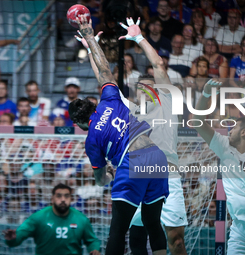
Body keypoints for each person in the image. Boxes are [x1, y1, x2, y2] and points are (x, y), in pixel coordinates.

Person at [71, 15, 168, 255]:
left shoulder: (91, 139)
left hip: (131, 163)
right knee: (152, 222)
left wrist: (110, 175)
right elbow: (104, 69)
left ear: (79, 122)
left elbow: (100, 180)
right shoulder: (110, 100)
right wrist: (90, 38)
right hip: (156, 156)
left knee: (117, 231)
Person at [122, 22, 188, 253]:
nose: (147, 90)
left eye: (152, 87)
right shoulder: (129, 110)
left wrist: (139, 38)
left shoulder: (168, 103)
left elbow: (158, 64)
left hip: (168, 177)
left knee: (177, 240)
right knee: (137, 237)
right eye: (142, 87)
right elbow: (104, 81)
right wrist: (91, 45)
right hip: (139, 178)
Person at [193, 79, 245, 255]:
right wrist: (206, 93)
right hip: (239, 229)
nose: (229, 130)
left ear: (244, 132)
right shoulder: (224, 146)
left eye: (233, 127)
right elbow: (197, 122)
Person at [3, 183, 101, 255]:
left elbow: (92, 240)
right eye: (59, 196)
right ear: (52, 199)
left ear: (71, 199)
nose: (63, 199)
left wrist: (94, 249)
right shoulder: (38, 218)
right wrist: (12, 239)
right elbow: (19, 236)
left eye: (66, 196)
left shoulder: (81, 219)